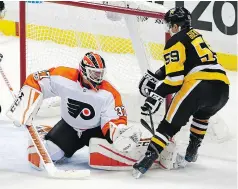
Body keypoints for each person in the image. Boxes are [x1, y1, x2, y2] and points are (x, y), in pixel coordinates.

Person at [133, 7, 230, 178]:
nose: (169, 29)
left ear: (176, 26)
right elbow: (186, 63)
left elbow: (175, 81)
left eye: (170, 25)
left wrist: (156, 94)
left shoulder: (174, 41)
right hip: (222, 88)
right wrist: (157, 75)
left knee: (168, 125)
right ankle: (191, 153)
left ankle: (145, 162)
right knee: (202, 115)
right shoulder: (196, 35)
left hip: (200, 84)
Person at [7, 52, 141, 170]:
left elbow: (113, 119)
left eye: (100, 73)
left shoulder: (109, 93)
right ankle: (48, 132)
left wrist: (118, 131)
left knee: (110, 152)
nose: (98, 78)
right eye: (95, 73)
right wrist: (24, 106)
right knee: (40, 158)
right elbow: (36, 79)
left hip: (95, 130)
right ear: (83, 71)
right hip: (69, 127)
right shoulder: (64, 77)